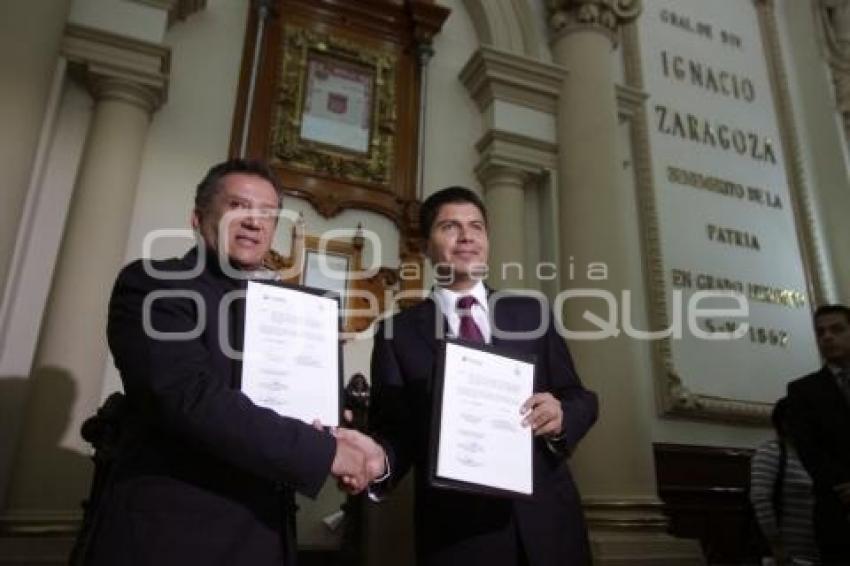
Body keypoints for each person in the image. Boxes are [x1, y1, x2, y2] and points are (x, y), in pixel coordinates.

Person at [84, 159, 379, 565]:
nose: (255, 223)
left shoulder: (283, 310)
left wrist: (326, 418)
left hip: (265, 534)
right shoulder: (155, 284)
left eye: (268, 215)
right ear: (198, 217)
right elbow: (189, 398)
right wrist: (322, 451)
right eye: (239, 206)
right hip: (173, 535)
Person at [349, 186, 598, 565]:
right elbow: (397, 433)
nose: (467, 236)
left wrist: (563, 414)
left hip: (549, 524)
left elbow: (581, 397)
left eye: (476, 227)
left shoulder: (532, 314)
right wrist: (378, 463)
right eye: (450, 226)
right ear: (426, 244)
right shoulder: (396, 334)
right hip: (458, 534)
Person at [786, 304, 850, 564]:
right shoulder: (803, 390)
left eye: (837, 329)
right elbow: (810, 451)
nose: (827, 337)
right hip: (838, 508)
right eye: (820, 332)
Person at [750, 398, 818, 565]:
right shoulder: (771, 452)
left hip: (819, 552)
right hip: (785, 556)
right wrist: (777, 546)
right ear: (786, 423)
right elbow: (760, 499)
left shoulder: (817, 456)